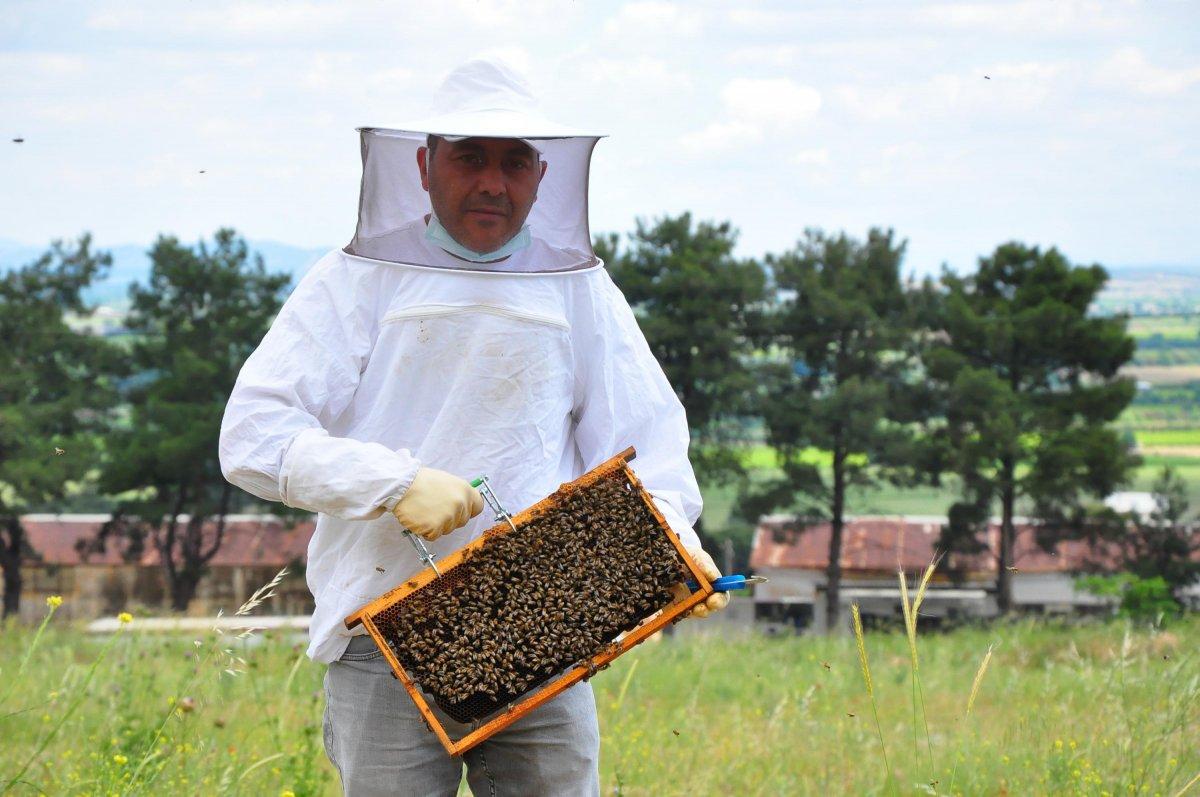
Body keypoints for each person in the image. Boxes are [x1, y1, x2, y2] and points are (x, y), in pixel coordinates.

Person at [219, 58, 727, 797]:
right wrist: (392, 482)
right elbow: (254, 433)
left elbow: (648, 437)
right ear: (425, 165)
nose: (493, 181)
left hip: (543, 631)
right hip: (381, 629)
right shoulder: (357, 278)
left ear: (543, 175)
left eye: (514, 162)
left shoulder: (577, 286)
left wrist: (671, 535)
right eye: (470, 157)